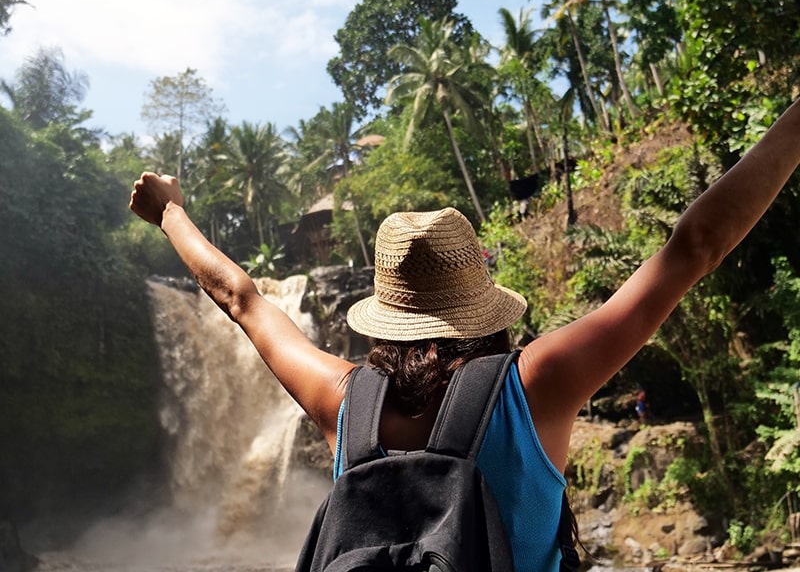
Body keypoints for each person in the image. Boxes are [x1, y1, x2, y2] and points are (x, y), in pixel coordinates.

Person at [129, 98, 800, 571]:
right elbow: (695, 245)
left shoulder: (343, 400)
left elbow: (241, 298)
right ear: (482, 305)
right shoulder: (535, 387)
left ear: (385, 312)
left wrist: (171, 214)